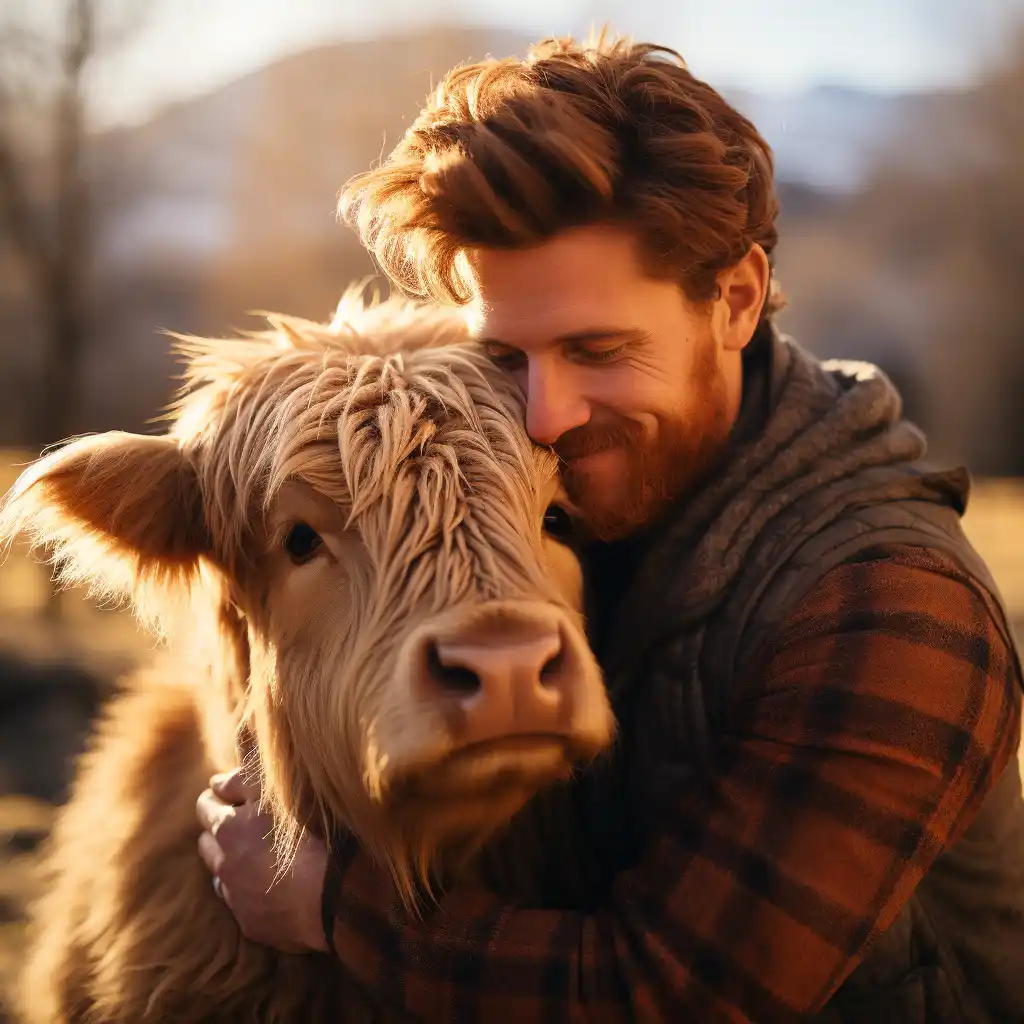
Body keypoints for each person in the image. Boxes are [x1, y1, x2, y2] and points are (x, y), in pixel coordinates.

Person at [195, 30, 1024, 1022]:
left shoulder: (889, 609)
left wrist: (334, 906)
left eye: (597, 348)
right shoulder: (568, 491)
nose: (543, 416)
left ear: (736, 299)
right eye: (506, 355)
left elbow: (670, 995)